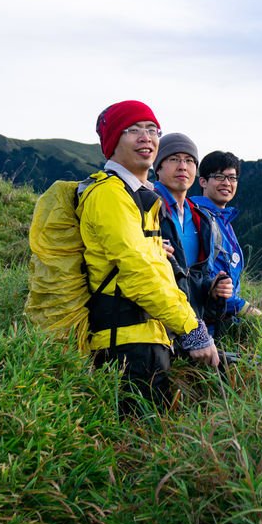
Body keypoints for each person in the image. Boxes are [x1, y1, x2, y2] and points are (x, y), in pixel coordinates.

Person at [82, 101, 219, 414]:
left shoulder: (138, 196)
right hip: (126, 347)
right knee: (135, 451)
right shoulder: (110, 194)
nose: (146, 137)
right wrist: (192, 329)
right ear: (114, 140)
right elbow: (138, 273)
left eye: (152, 130)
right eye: (133, 130)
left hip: (147, 339)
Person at [152, 132, 233, 353]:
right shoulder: (143, 208)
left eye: (189, 161)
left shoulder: (203, 219)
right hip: (155, 334)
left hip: (194, 333)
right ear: (157, 167)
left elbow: (197, 282)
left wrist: (214, 292)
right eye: (173, 159)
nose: (182, 166)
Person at [191, 150, 262, 338]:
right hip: (207, 329)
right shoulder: (199, 219)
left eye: (232, 178)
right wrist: (252, 313)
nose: (227, 183)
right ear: (203, 182)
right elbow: (207, 279)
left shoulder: (223, 220)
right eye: (219, 176)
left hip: (222, 324)